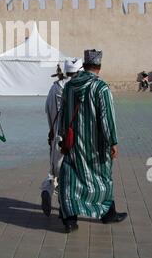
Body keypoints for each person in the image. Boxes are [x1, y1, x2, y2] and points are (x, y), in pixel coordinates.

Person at [58, 49, 127, 233]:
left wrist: (62, 137)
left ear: (85, 65)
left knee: (71, 180)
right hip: (96, 146)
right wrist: (113, 141)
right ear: (99, 66)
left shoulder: (70, 86)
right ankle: (108, 214)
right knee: (102, 178)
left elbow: (63, 113)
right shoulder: (101, 88)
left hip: (73, 144)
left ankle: (70, 219)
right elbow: (107, 118)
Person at [40, 58, 83, 217]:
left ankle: (47, 189)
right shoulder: (78, 87)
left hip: (57, 137)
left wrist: (52, 131)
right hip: (73, 138)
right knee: (71, 173)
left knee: (55, 171)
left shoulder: (55, 88)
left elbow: (48, 110)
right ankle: (66, 206)